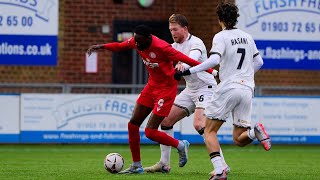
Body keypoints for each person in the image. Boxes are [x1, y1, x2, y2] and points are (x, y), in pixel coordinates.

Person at [87, 25, 215, 174]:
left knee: (150, 132)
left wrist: (213, 70)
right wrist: (101, 46)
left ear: (149, 38)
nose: (138, 45)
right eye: (136, 41)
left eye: (140, 42)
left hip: (166, 89)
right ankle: (136, 165)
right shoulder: (136, 42)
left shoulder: (162, 47)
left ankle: (180, 145)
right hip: (151, 86)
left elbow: (188, 60)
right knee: (133, 124)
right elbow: (119, 46)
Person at [174, 2, 271, 180]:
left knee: (208, 131)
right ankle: (254, 132)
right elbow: (259, 63)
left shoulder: (221, 36)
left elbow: (213, 61)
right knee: (239, 138)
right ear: (236, 18)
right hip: (247, 88)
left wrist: (189, 70)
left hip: (228, 87)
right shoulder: (247, 36)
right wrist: (245, 75)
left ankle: (220, 171)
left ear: (220, 19)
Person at [144, 14, 230, 174]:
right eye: (170, 30)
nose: (173, 33)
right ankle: (164, 163)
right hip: (190, 90)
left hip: (206, 87)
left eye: (175, 29)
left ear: (184, 28)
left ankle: (222, 165)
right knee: (166, 120)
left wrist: (183, 64)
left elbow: (193, 58)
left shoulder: (196, 43)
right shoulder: (172, 46)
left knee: (200, 124)